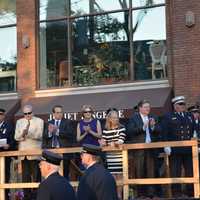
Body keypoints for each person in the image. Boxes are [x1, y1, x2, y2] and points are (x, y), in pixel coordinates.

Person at [127, 100, 161, 197]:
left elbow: (160, 130)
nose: (148, 109)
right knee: (139, 170)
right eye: (145, 107)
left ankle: (151, 193)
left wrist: (153, 126)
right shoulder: (134, 118)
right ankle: (141, 194)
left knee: (151, 170)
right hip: (139, 149)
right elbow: (130, 131)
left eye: (149, 107)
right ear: (140, 108)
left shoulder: (153, 117)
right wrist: (142, 127)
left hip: (151, 148)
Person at [162, 96, 194, 197]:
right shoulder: (168, 116)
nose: (182, 106)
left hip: (188, 149)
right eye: (180, 104)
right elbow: (165, 132)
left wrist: (195, 144)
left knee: (190, 171)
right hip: (175, 149)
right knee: (175, 171)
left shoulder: (189, 115)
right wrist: (166, 145)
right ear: (175, 106)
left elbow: (193, 132)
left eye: (183, 104)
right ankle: (177, 193)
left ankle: (191, 192)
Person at [15, 104, 44, 200]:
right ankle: (26, 197)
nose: (27, 115)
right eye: (25, 113)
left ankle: (37, 197)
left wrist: (29, 133)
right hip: (23, 154)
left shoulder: (39, 121)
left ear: (33, 112)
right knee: (25, 177)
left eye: (29, 113)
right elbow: (16, 137)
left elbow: (39, 135)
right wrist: (22, 134)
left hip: (35, 153)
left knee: (36, 177)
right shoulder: (19, 122)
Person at [42, 105, 74, 179]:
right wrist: (50, 132)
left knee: (65, 174)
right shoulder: (48, 123)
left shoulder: (68, 122)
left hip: (64, 152)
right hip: (52, 152)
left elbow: (70, 134)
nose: (59, 114)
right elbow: (44, 136)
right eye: (57, 112)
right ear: (53, 114)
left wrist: (57, 131)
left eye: (61, 112)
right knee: (52, 173)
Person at [100, 108, 126, 199]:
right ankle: (114, 194)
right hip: (110, 156)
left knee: (119, 175)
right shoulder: (106, 130)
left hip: (119, 155)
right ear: (109, 119)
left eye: (117, 117)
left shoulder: (122, 127)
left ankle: (119, 195)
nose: (116, 119)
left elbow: (121, 140)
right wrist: (103, 143)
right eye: (114, 118)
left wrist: (114, 143)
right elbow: (104, 141)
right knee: (112, 176)